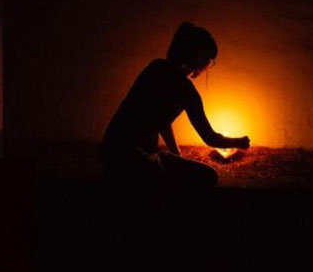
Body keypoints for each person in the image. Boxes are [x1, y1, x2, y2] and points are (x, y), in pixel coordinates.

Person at [100, 22, 250, 185]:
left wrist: (176, 155)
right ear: (200, 58)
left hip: (109, 152)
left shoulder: (155, 67)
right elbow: (210, 138)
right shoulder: (186, 90)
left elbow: (160, 119)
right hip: (134, 159)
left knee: (169, 164)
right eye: (209, 61)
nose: (207, 67)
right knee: (209, 176)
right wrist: (239, 142)